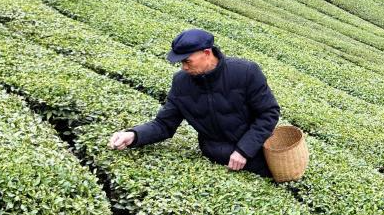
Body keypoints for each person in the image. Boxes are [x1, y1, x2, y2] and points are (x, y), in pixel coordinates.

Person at [108, 29, 279, 176]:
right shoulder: (181, 83)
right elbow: (164, 124)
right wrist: (133, 135)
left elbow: (269, 113)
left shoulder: (245, 72)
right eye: (181, 62)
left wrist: (244, 150)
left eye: (187, 61)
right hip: (216, 157)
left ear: (206, 53)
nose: (184, 67)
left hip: (256, 155)